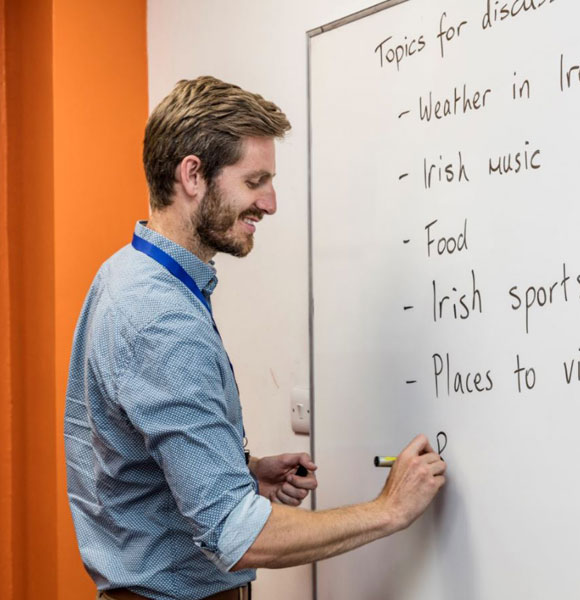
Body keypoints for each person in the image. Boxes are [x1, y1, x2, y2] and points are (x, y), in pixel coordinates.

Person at [64, 76, 446, 600]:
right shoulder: (160, 320)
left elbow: (131, 448)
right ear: (193, 175)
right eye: (254, 181)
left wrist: (239, 472)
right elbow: (236, 535)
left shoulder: (125, 273)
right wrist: (389, 510)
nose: (269, 203)